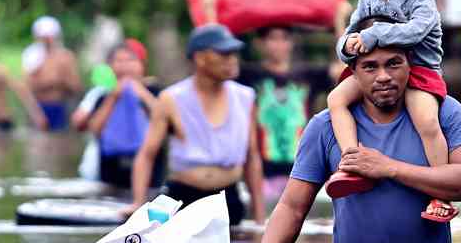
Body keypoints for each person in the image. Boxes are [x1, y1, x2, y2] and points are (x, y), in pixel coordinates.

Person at [233, 40, 461, 243]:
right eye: (370, 67)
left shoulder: (442, 112)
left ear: (411, 65)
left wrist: (388, 168)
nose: (383, 76)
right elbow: (292, 207)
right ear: (352, 72)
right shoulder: (325, 127)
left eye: (393, 63)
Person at [326, 0, 456, 222]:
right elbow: (349, 35)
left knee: (426, 120)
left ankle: (441, 194)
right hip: (377, 71)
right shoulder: (368, 1)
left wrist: (372, 37)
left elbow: (414, 31)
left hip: (419, 70)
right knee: (336, 99)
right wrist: (347, 47)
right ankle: (351, 162)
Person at [127, 24, 265, 225]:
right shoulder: (171, 99)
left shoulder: (245, 97)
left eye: (234, 54)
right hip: (182, 197)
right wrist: (137, 204)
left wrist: (260, 218)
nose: (232, 60)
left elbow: (252, 157)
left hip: (228, 198)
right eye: (224, 54)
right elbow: (147, 154)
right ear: (200, 58)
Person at [238, 21, 345, 201]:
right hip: (262, 174)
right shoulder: (249, 76)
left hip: (302, 171)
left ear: (292, 42)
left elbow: (343, 70)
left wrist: (339, 21)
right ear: (260, 43)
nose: (279, 45)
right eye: (272, 39)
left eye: (284, 39)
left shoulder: (307, 75)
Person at [72, 39, 165, 189]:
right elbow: (95, 130)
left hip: (150, 174)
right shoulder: (104, 95)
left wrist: (142, 94)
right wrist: (113, 98)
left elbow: (163, 119)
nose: (125, 66)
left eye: (131, 60)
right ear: (110, 66)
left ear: (142, 65)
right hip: (110, 173)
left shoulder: (155, 92)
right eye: (118, 61)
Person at [23, 16, 82, 131]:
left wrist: (61, 80)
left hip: (61, 106)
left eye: (49, 36)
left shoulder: (65, 57)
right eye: (43, 37)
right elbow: (28, 87)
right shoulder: (31, 56)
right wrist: (36, 113)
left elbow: (76, 86)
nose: (47, 39)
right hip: (39, 106)